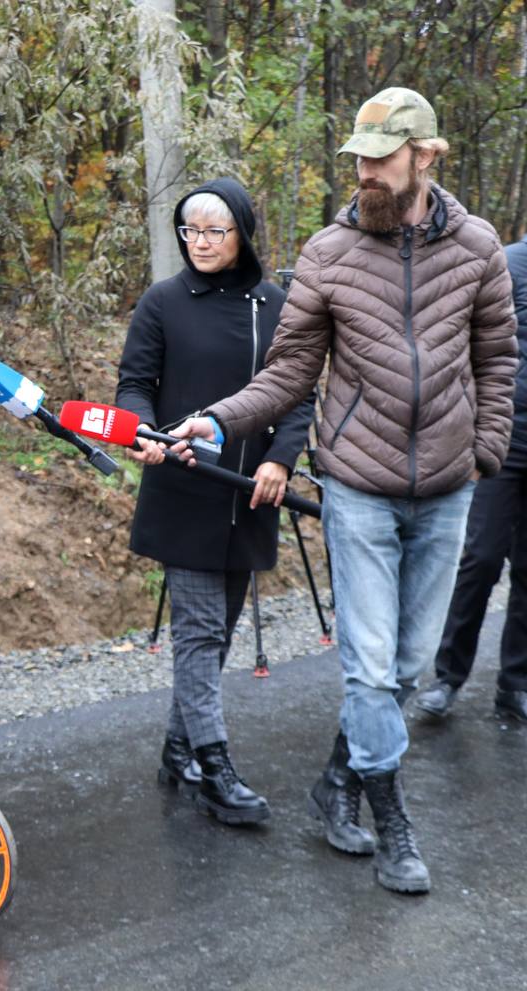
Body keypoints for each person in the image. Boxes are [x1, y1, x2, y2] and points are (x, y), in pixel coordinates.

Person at [171, 88, 517, 894]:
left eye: (381, 158)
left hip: (448, 486)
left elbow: (498, 358)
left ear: (425, 157)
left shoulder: (478, 248)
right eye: (358, 157)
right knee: (368, 667)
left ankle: (337, 782)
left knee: (407, 665)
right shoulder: (329, 253)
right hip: (358, 484)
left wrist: (487, 450)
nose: (365, 171)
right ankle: (391, 823)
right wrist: (217, 420)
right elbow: (290, 372)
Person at [116, 178, 314, 827]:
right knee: (200, 633)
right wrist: (144, 432)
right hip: (184, 489)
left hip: (252, 493)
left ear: (242, 234)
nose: (199, 243)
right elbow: (134, 384)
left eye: (214, 231)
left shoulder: (276, 305)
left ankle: (178, 750)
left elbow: (297, 393)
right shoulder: (163, 302)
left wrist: (282, 458)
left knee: (216, 635)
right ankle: (216, 767)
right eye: (190, 231)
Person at [413, 234, 527, 724]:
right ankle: (448, 676)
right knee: (481, 556)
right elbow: (470, 345)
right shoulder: (508, 263)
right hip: (504, 439)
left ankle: (515, 683)